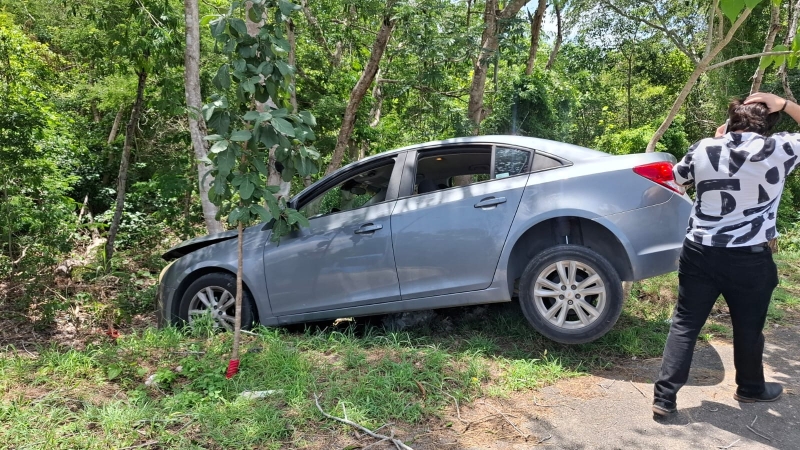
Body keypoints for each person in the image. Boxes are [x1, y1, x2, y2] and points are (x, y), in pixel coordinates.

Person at [652, 92, 800, 417]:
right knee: (748, 326)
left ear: (731, 121)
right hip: (750, 256)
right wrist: (787, 104)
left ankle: (664, 398)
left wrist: (718, 140)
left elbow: (676, 179)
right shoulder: (778, 148)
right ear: (768, 124)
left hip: (699, 251)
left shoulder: (704, 147)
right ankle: (750, 388)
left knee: (685, 323)